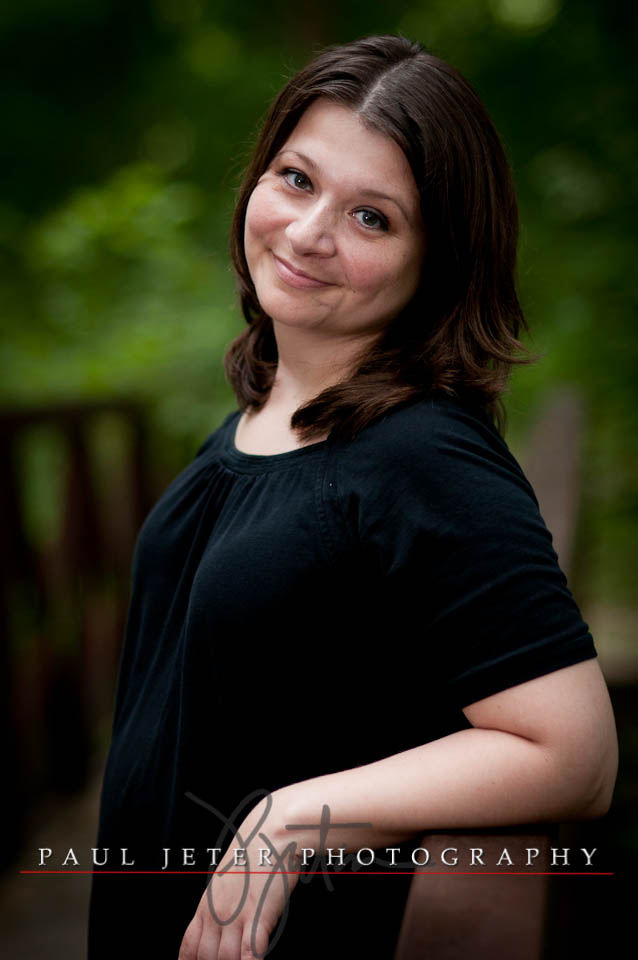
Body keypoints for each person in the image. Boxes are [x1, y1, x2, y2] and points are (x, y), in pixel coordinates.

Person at [87, 34, 618, 960]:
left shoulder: (422, 454)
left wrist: (291, 822)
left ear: (439, 261)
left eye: (372, 217)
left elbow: (574, 754)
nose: (307, 232)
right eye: (296, 178)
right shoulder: (272, 404)